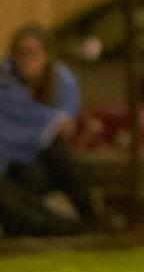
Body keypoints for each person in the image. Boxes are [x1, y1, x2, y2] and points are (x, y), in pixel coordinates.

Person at [0, 24, 96, 235]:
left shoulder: (61, 81)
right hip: (8, 164)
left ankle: (89, 216)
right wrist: (49, 124)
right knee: (18, 210)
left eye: (33, 53)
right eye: (20, 53)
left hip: (42, 163)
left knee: (58, 151)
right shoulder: (5, 83)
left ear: (45, 55)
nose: (25, 59)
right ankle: (71, 228)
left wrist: (48, 127)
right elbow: (10, 127)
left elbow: (64, 125)